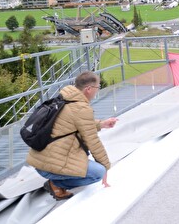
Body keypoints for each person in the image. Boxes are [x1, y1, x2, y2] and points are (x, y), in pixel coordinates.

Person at [26, 71, 118, 200]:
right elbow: (93, 142)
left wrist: (101, 124)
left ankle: (55, 178)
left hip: (39, 160)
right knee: (98, 172)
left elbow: (75, 124)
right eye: (98, 87)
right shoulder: (81, 108)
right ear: (88, 89)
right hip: (48, 166)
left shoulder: (65, 98)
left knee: (88, 164)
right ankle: (56, 184)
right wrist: (106, 168)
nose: (97, 91)